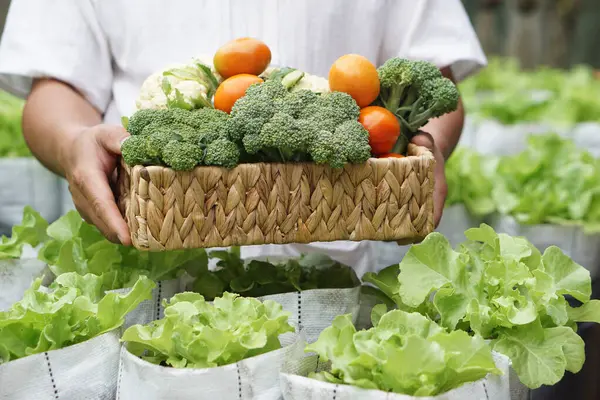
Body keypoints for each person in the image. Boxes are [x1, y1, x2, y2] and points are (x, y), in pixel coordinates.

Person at [0, 0, 485, 276]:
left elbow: (432, 72)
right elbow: (54, 85)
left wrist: (427, 145)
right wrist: (74, 142)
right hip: (145, 262)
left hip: (333, 267)